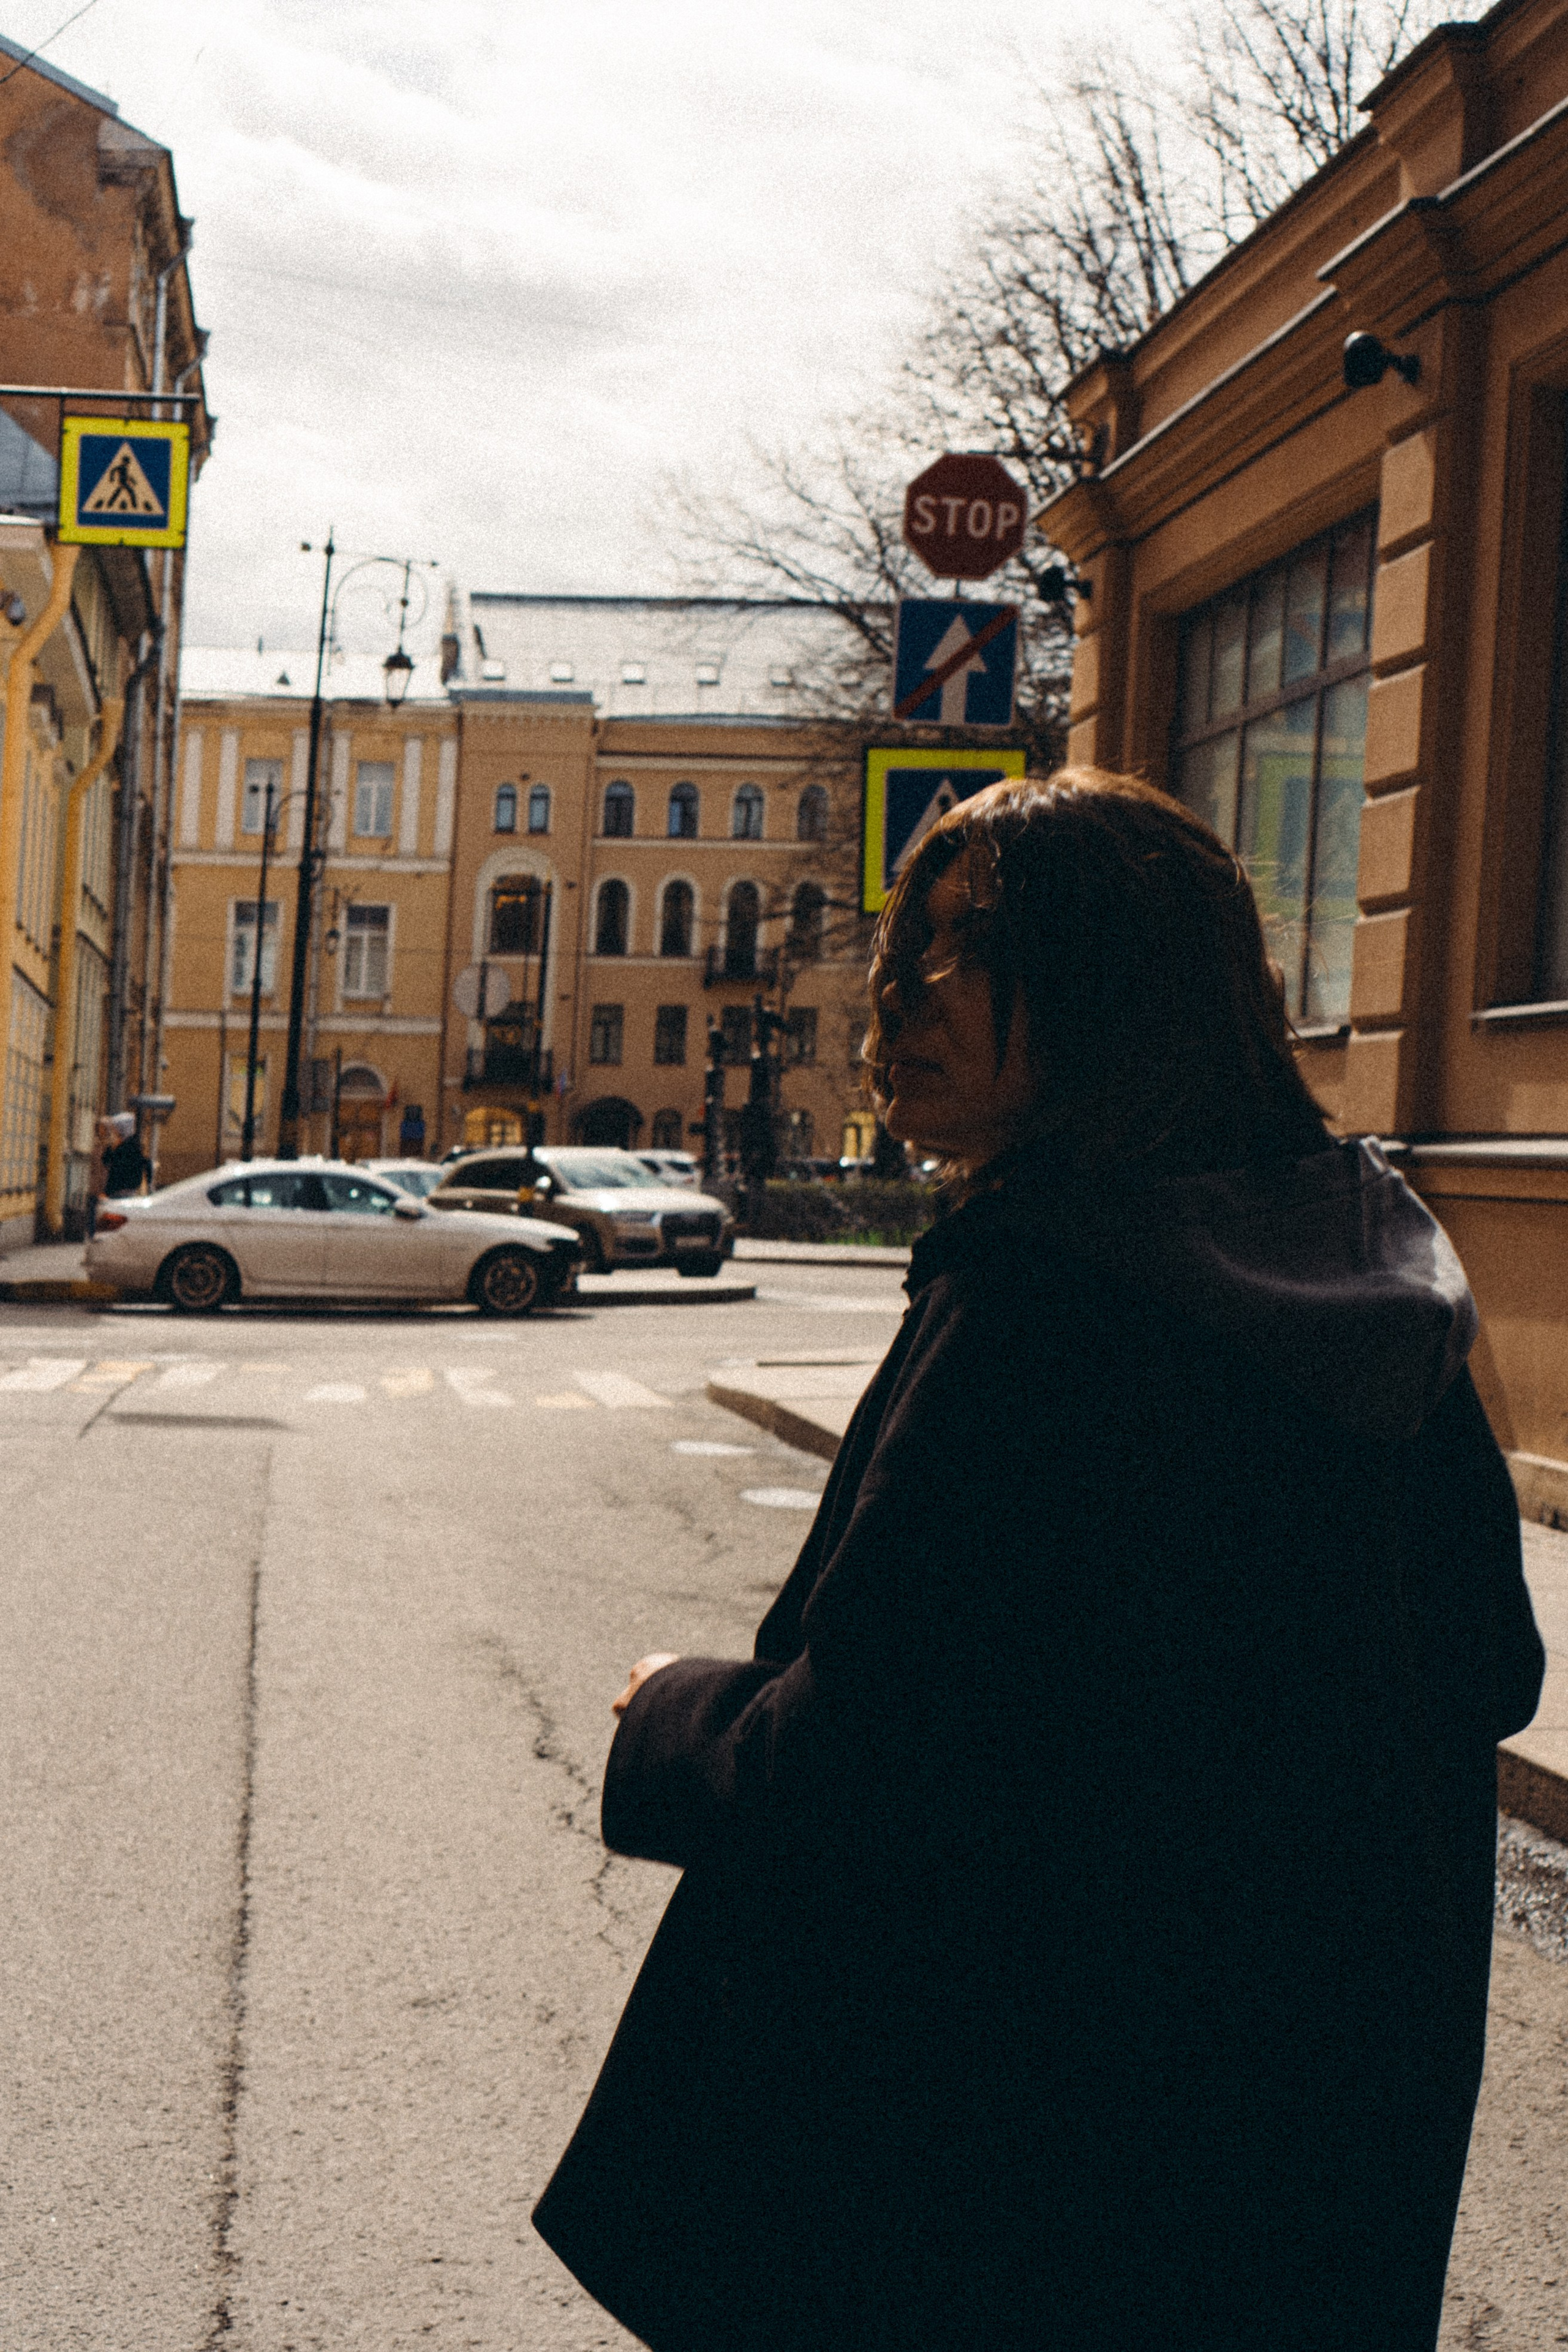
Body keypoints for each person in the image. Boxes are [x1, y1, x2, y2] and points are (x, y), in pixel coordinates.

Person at [532, 769, 1545, 2352]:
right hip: (1311, 2154)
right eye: (910, 942)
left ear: (1125, 991)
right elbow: (1494, 1665)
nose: (908, 993)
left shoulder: (1040, 1306)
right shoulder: (1371, 1260)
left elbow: (865, 1770)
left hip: (1030, 2169)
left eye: (977, 945)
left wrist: (673, 1711)